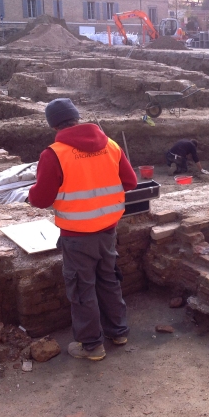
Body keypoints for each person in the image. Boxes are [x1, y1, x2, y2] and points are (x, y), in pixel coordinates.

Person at [28, 98, 138, 361]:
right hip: (108, 230)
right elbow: (130, 182)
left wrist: (35, 190)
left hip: (77, 236)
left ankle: (91, 345)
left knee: (82, 288)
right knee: (109, 280)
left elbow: (41, 199)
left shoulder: (53, 153)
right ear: (77, 117)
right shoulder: (110, 145)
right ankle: (118, 331)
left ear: (53, 124)